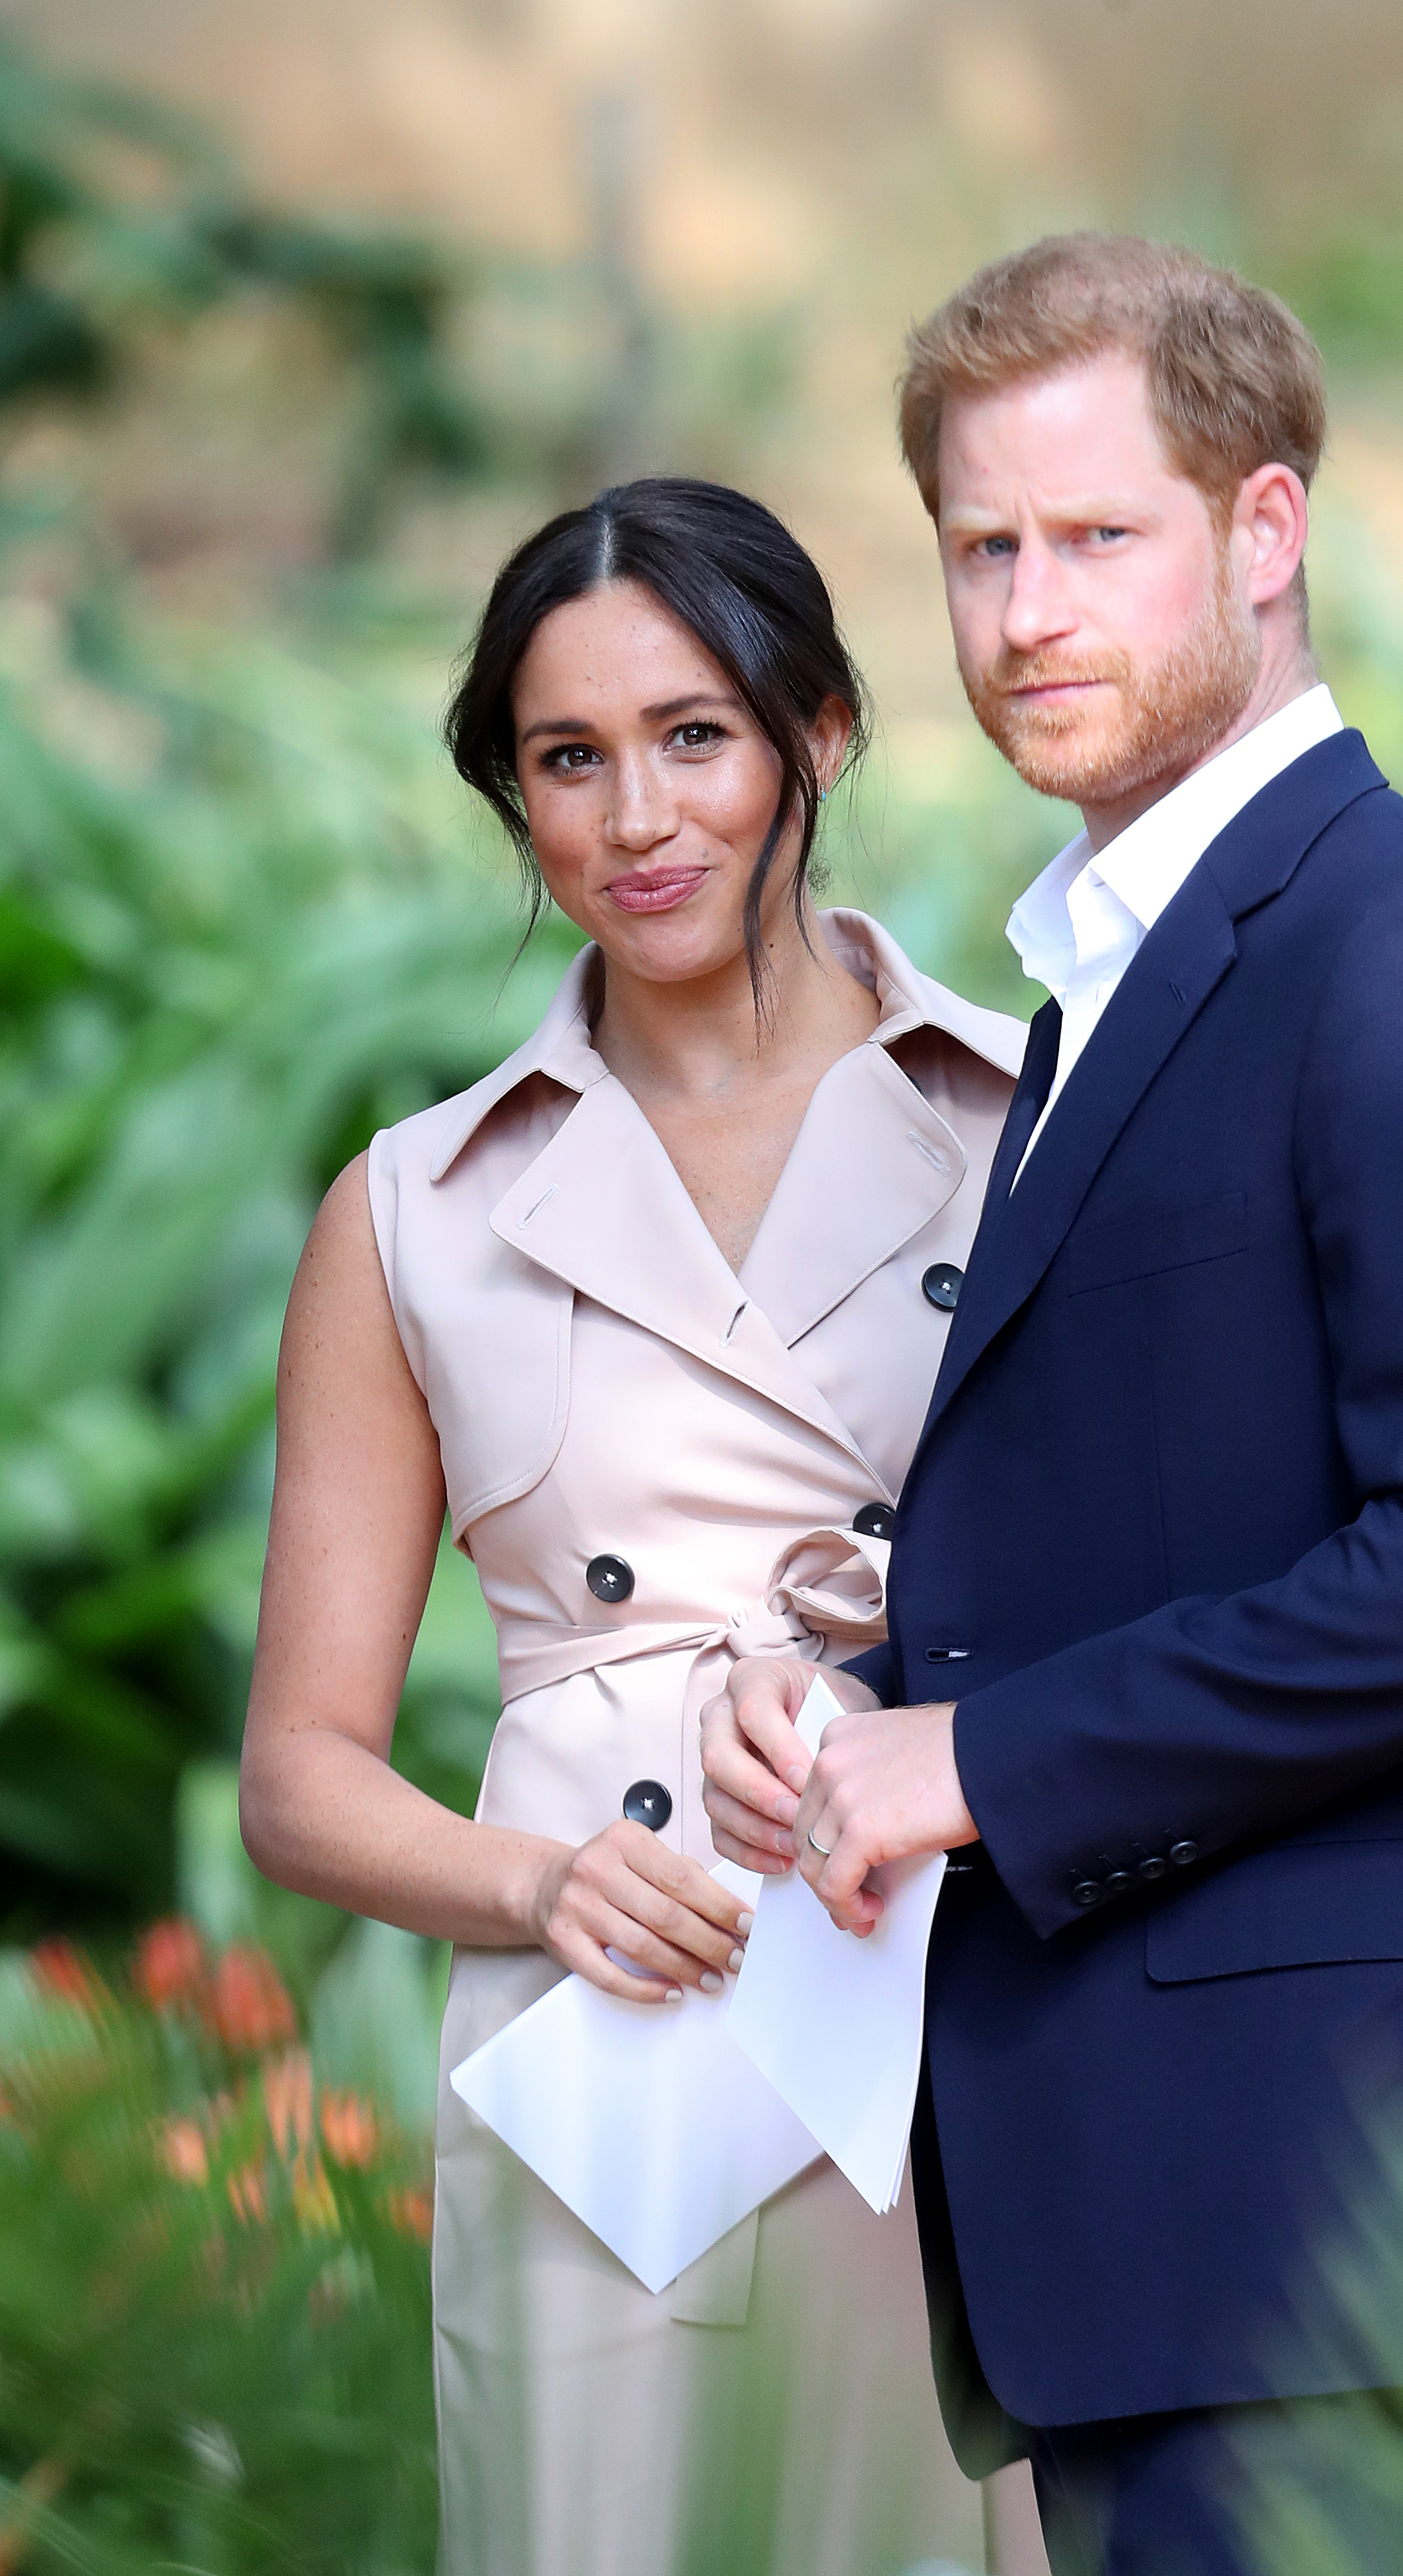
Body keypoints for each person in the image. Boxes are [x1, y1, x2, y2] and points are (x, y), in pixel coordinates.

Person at [702, 237, 1403, 2576]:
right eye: (982, 548)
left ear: (1266, 533)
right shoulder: (1106, 979)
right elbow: (1162, 1506)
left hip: (1313, 2228)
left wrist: (980, 1766)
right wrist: (857, 1703)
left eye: (1096, 537)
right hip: (1151, 2228)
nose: (1025, 611)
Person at [239, 477, 1050, 2576]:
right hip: (612, 2066)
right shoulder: (418, 1208)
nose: (636, 817)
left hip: (954, 2002)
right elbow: (300, 1779)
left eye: (695, 735)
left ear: (823, 734)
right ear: (513, 799)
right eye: (565, 759)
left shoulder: (1027, 1126)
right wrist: (543, 1885)